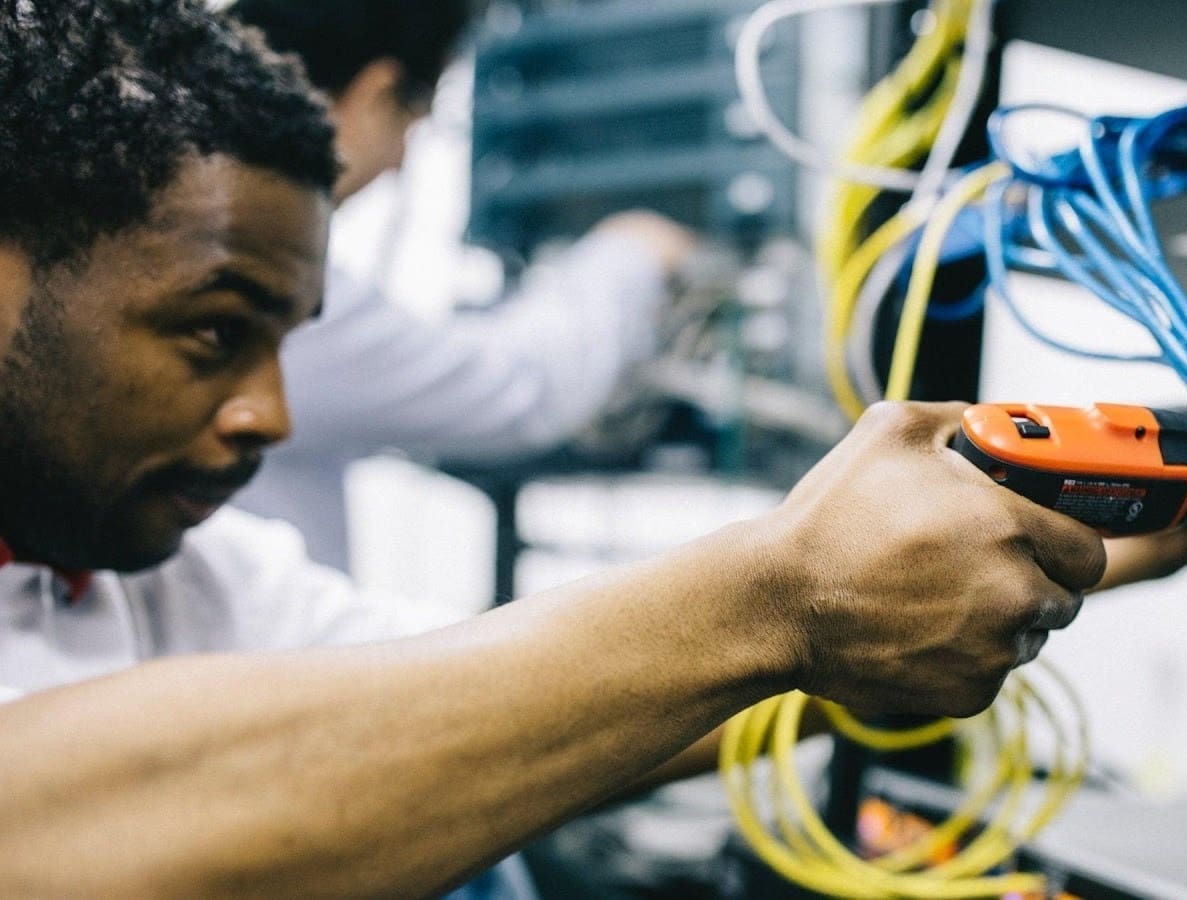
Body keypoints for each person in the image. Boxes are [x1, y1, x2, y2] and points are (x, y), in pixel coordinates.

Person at [0, 2, 1108, 894]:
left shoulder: (176, 570)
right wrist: (784, 599)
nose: (269, 415)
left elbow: (485, 690)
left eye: (283, 344)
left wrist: (960, 574)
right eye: (215, 332)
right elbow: (69, 824)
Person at [222, 0, 699, 571]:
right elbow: (519, 388)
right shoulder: (275, 291)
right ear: (378, 95)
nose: (400, 164)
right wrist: (634, 249)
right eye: (412, 125)